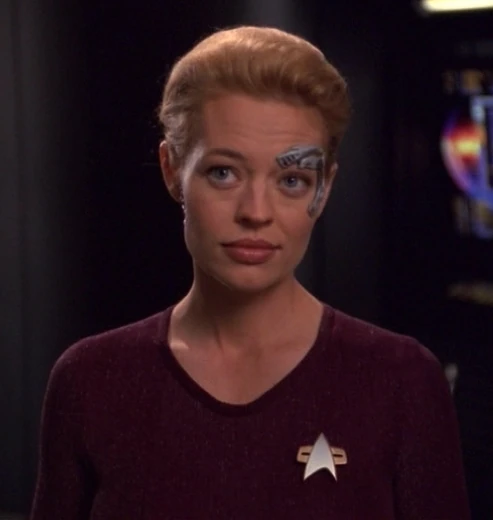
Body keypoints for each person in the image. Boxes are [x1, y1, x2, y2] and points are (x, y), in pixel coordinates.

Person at [30, 26, 470, 519]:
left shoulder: (401, 381)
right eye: (223, 172)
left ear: (325, 188)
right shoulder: (91, 381)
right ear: (172, 169)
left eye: (292, 180)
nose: (256, 212)